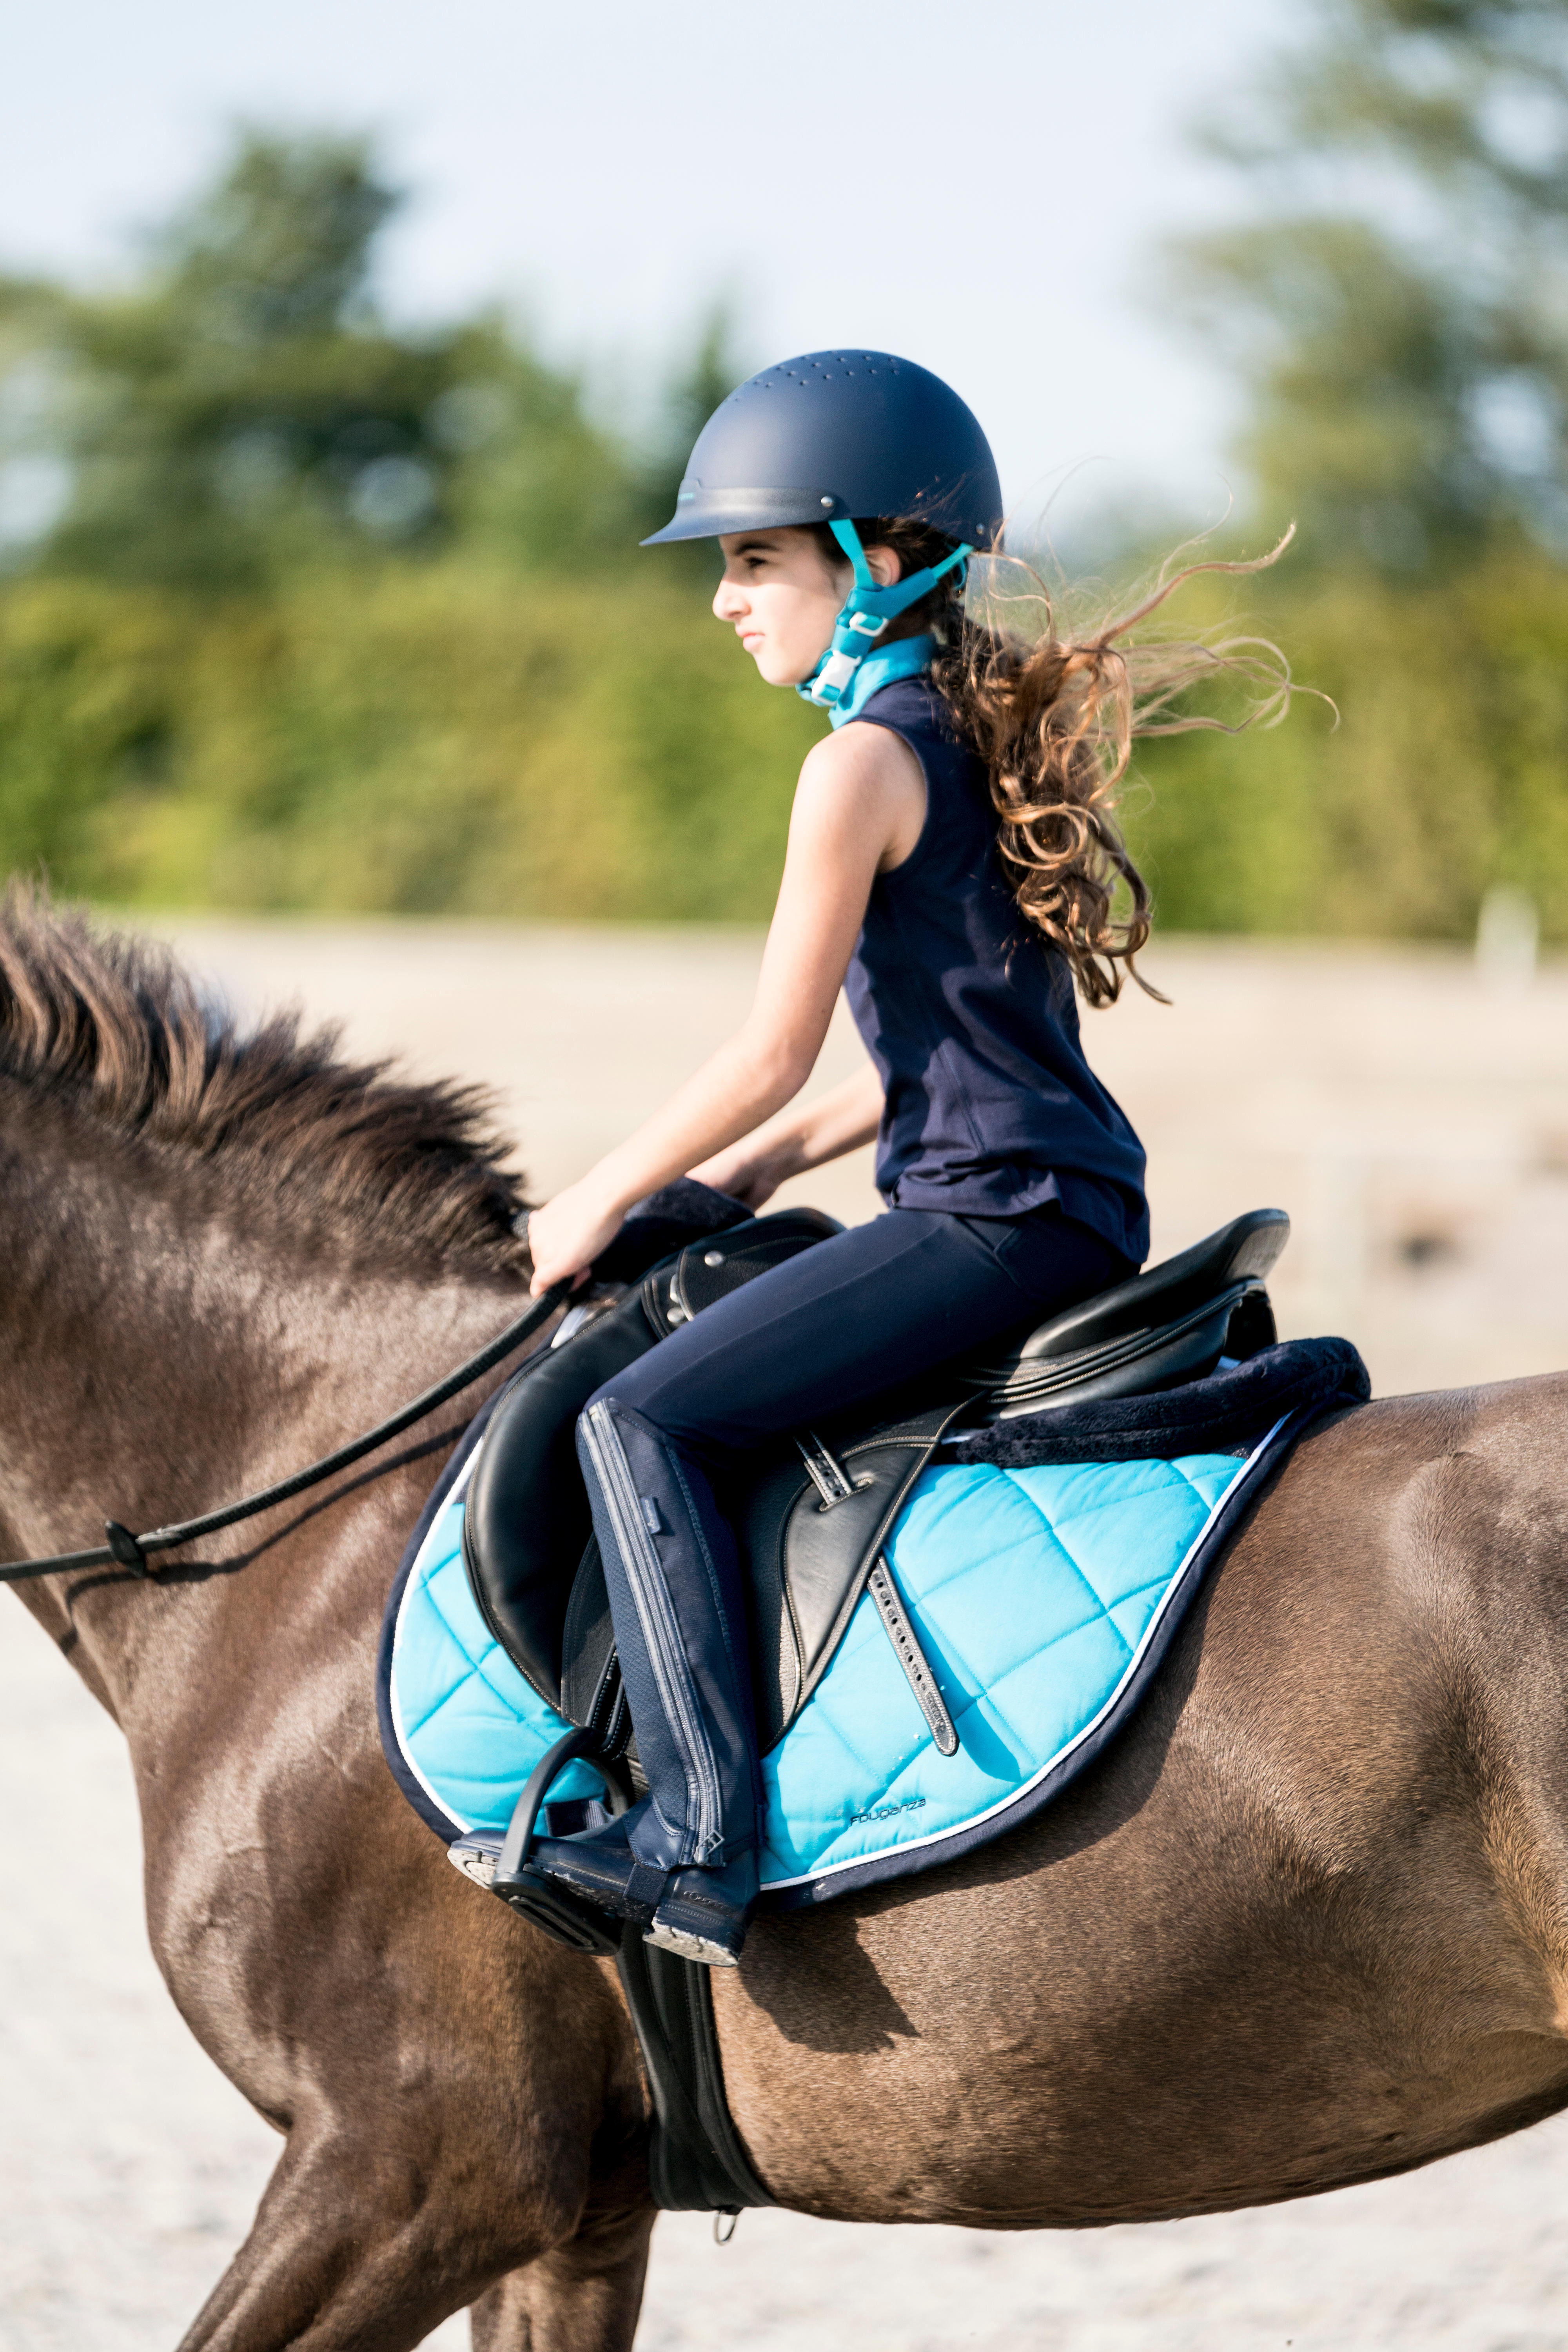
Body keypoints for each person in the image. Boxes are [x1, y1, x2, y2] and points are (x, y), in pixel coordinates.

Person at [509, 350, 1267, 1968]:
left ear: (868, 556)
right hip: (1064, 1204)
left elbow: (769, 1047)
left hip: (983, 1220)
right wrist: (754, 1173)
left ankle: (694, 1841)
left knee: (647, 1422)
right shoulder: (974, 736)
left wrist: (586, 1198)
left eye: (751, 559)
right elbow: (916, 1054)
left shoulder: (853, 763)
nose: (725, 600)